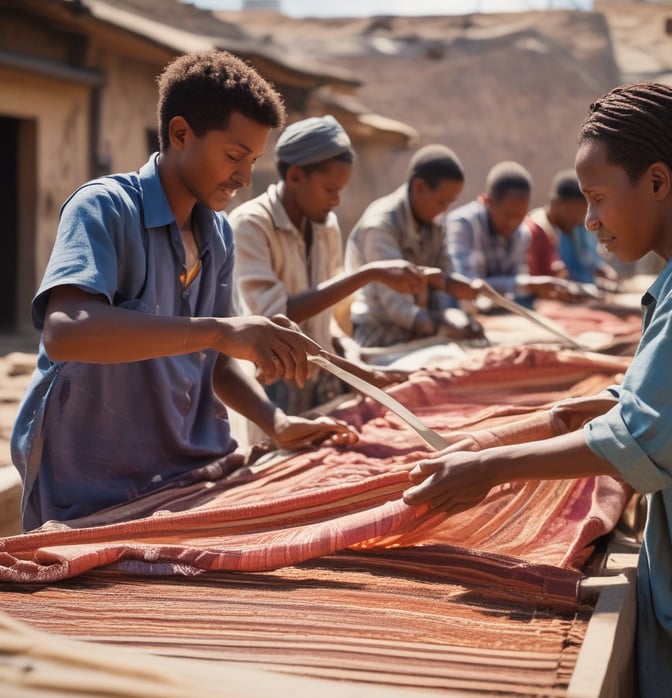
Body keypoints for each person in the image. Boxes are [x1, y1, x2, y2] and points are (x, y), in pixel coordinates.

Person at [403, 82, 672, 697]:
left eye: (598, 198)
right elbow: (669, 400)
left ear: (657, 182)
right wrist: (573, 412)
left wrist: (488, 467)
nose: (590, 218)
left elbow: (643, 440)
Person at [10, 50, 357, 532]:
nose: (243, 177)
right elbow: (66, 332)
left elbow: (213, 364)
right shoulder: (104, 209)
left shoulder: (218, 236)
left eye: (253, 161)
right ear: (180, 134)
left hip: (182, 474)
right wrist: (219, 330)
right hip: (91, 485)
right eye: (234, 156)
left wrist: (275, 421)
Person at [229, 115, 428, 414]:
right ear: (295, 176)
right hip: (274, 386)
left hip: (321, 378)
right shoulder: (250, 225)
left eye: (340, 191)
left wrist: (349, 352)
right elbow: (274, 319)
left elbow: (324, 316)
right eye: (329, 189)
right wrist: (368, 274)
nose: (336, 201)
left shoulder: (326, 226)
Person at [344, 144, 483, 349]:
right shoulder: (380, 226)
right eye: (441, 202)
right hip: (379, 335)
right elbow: (396, 308)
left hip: (424, 331)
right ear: (419, 187)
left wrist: (458, 313)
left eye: (449, 203)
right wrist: (441, 324)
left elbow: (444, 277)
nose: (444, 210)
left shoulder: (435, 223)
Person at [445, 160, 582, 310]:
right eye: (507, 215)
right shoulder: (463, 224)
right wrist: (527, 284)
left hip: (493, 313)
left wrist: (526, 286)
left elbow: (514, 287)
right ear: (487, 202)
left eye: (520, 215)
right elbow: (467, 285)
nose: (513, 223)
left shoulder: (522, 233)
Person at [525, 169, 619, 291]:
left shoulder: (576, 228)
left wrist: (600, 271)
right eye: (576, 212)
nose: (580, 219)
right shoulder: (536, 230)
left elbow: (585, 264)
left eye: (584, 214)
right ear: (556, 204)